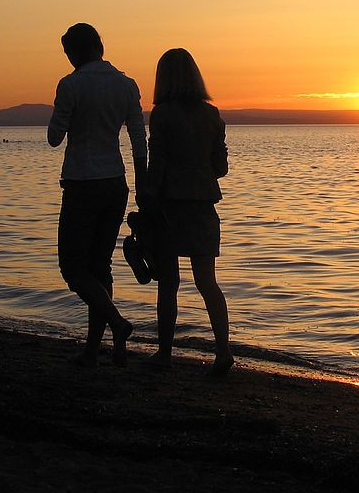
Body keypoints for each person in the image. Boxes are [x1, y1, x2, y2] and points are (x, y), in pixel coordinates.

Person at [48, 23, 147, 367]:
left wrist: (66, 114)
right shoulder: (126, 85)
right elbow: (138, 139)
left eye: (68, 53)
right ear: (99, 46)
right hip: (115, 182)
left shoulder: (70, 84)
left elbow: (54, 137)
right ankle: (96, 349)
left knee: (74, 268)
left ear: (76, 51)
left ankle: (118, 325)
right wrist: (143, 182)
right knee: (100, 265)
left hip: (82, 182)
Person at [143, 48, 233, 375]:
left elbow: (158, 165)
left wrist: (147, 199)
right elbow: (220, 167)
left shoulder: (162, 115)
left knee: (168, 282)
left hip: (170, 205)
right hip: (204, 204)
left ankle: (165, 353)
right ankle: (223, 352)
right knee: (207, 282)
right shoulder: (213, 115)